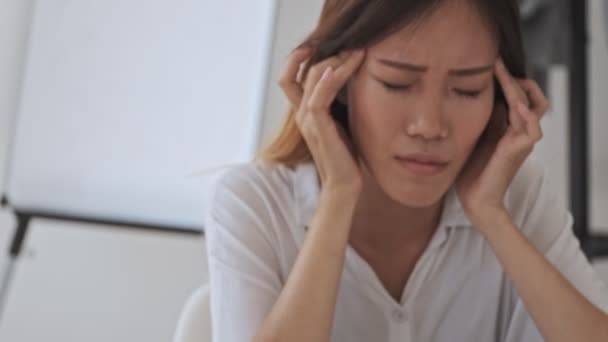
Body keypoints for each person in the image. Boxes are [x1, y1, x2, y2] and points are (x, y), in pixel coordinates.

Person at [204, 0, 608, 341]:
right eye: (397, 83)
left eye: (467, 90)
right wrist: (338, 196)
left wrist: (490, 215)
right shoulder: (253, 204)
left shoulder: (517, 195)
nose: (430, 126)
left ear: (505, 96)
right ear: (333, 81)